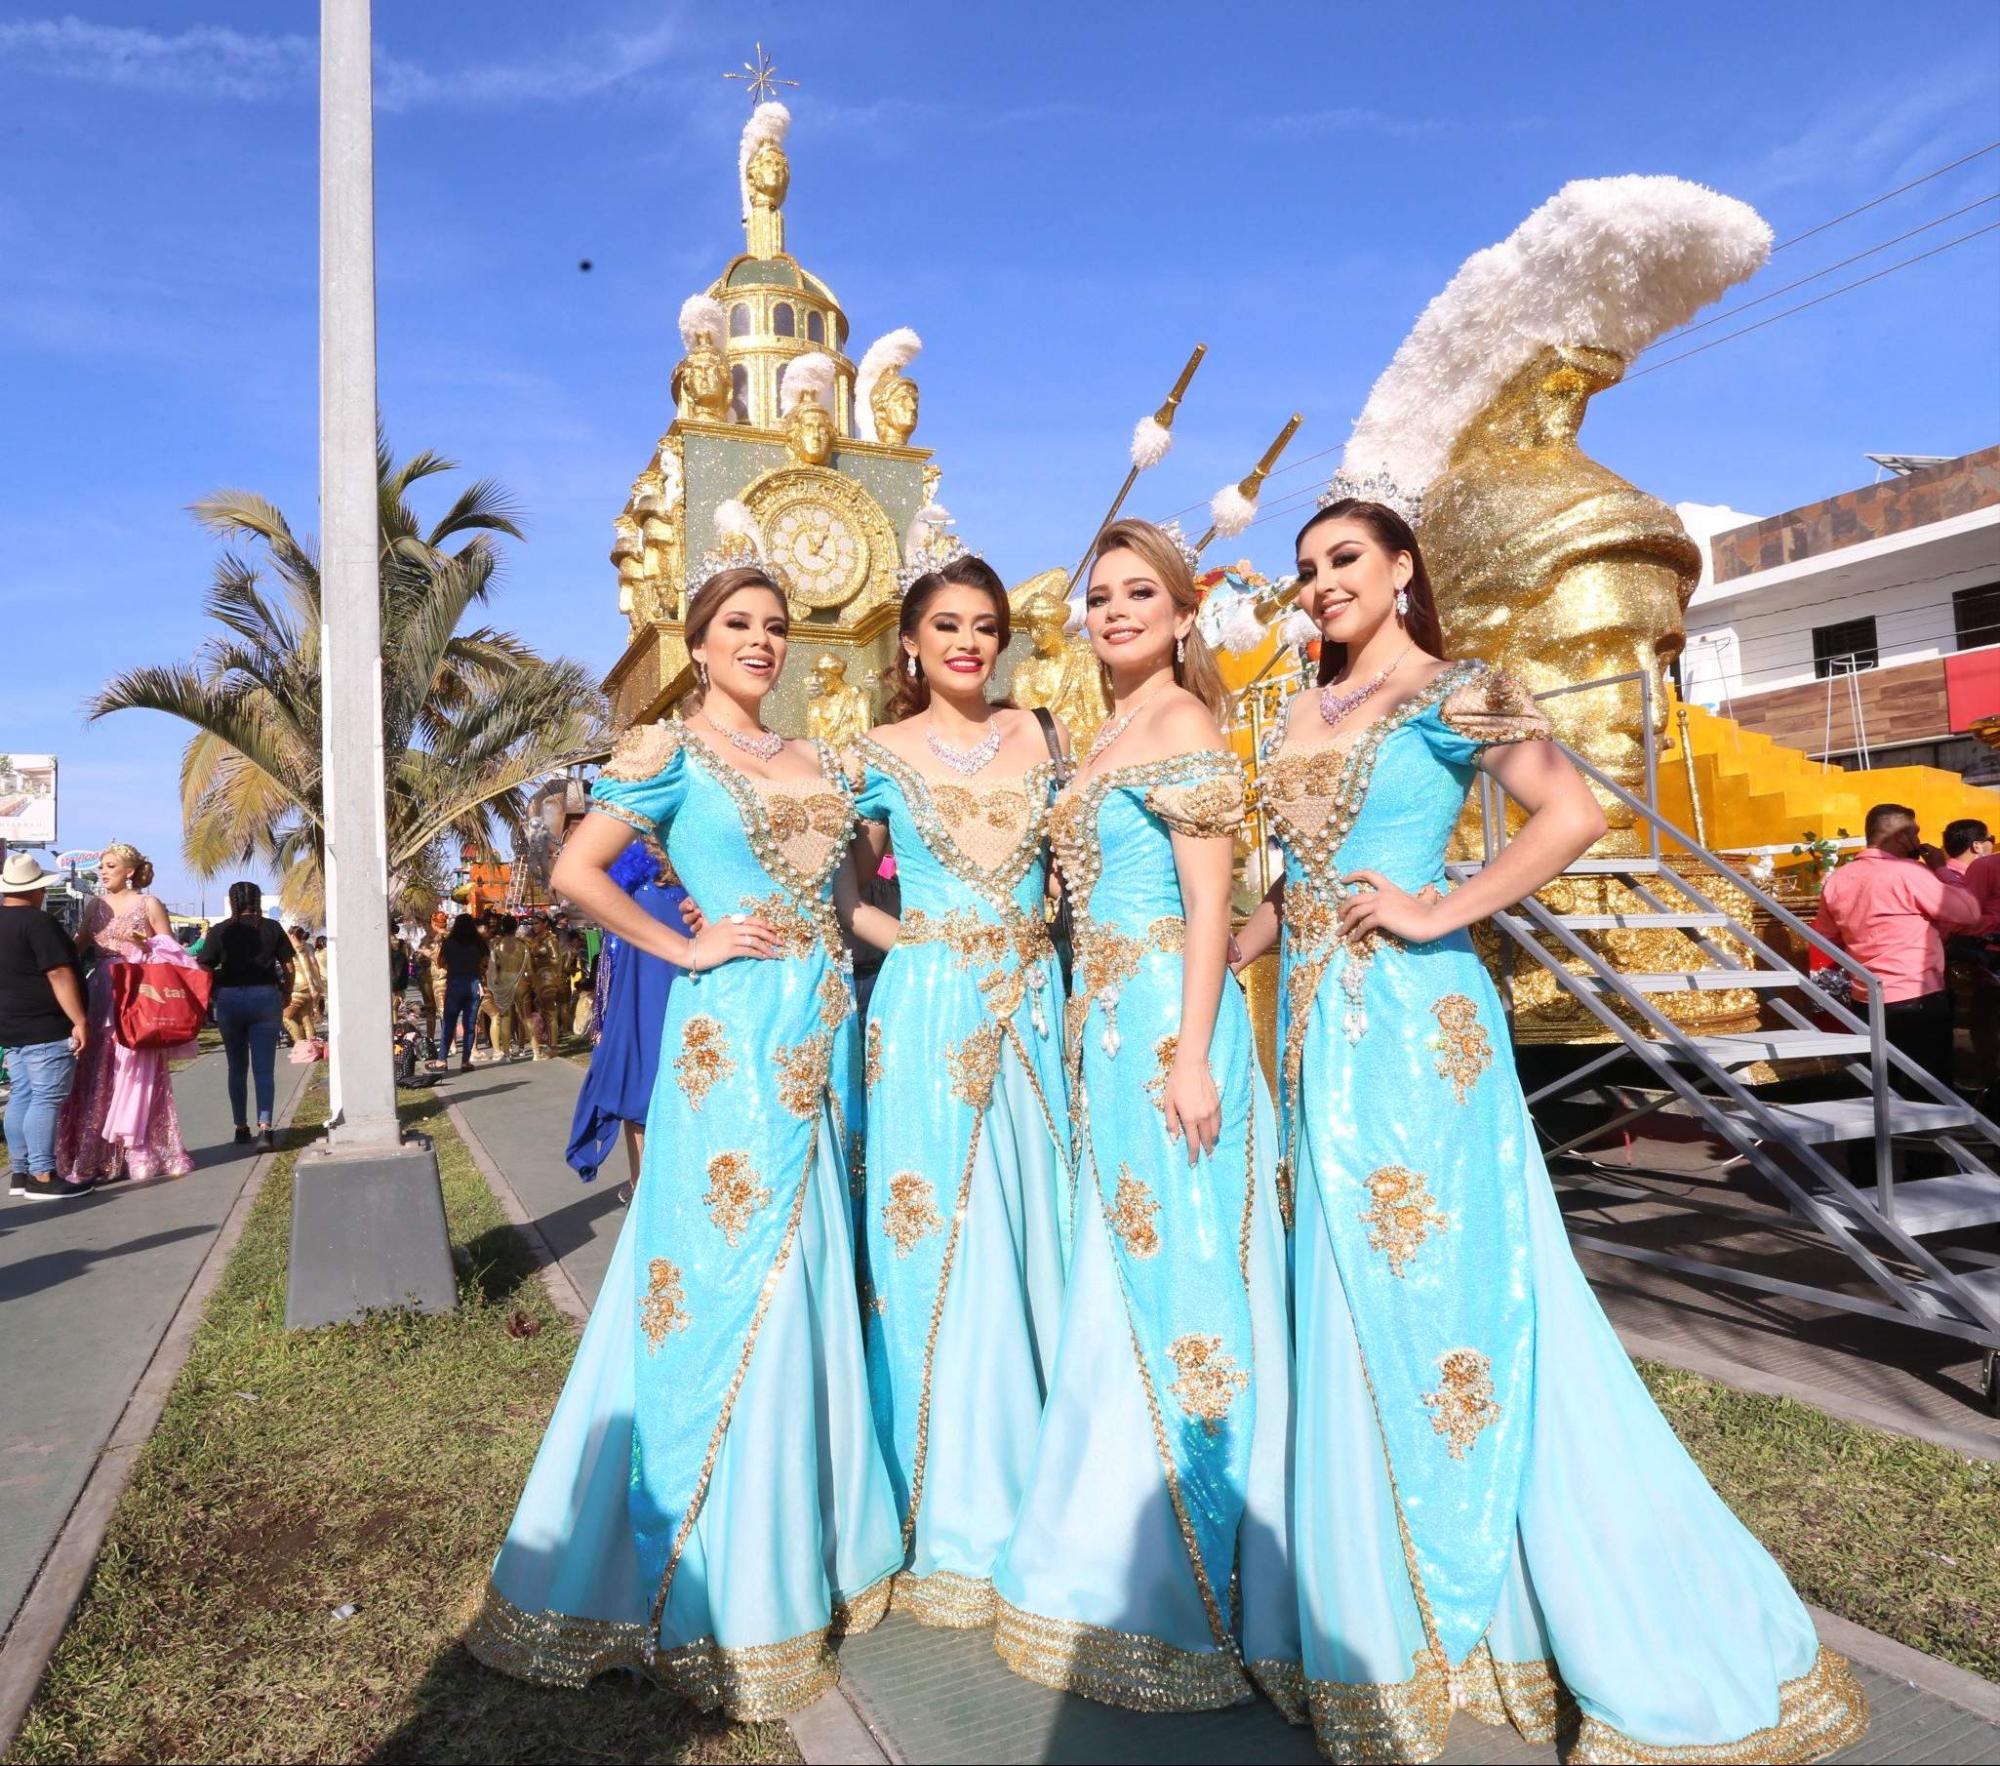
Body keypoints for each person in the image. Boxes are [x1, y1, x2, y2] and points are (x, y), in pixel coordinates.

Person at [1232, 497, 1867, 1763]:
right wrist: (1198, 973)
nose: (1320, 585)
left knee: (1442, 1285)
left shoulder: (1459, 686)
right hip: (1310, 1027)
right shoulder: (1304, 707)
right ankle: (1386, 1600)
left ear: (1401, 566)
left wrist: (1437, 909)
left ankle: (1479, 1597)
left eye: (1343, 559)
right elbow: (1292, 881)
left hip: (1417, 1029)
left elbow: (1569, 815)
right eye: (1306, 569)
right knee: (1349, 1289)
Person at [469, 565, 901, 1716]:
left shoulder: (820, 759)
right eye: (736, 627)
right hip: (732, 1042)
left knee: (808, 1261)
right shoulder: (667, 757)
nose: (759, 642)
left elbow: (851, 908)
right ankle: (700, 1563)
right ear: (696, 646)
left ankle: (802, 1534)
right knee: (715, 1272)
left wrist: (944, 940)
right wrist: (688, 950)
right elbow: (574, 871)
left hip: (826, 1038)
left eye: (773, 627)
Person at [991, 519, 1295, 1708]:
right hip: (1099, 1033)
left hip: (1165, 1034)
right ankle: (1107, 1531)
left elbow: (1212, 903)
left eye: (1139, 594)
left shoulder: (1181, 725)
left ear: (1181, 612)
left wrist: (1195, 1052)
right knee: (1118, 1268)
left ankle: (1199, 1568)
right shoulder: (1107, 731)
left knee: (1181, 1273)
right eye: (1100, 596)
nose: (1114, 611)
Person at [843, 554, 1071, 1629]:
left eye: (984, 625)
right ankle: (948, 1507)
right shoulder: (873, 754)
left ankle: (1050, 1489)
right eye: (946, 625)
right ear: (911, 644)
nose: (968, 642)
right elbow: (843, 894)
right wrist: (927, 946)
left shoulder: (1044, 736)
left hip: (1034, 1007)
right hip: (927, 1014)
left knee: (1037, 1228)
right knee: (937, 1240)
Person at [1813, 802, 1981, 1095]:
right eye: (1914, 833)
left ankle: (1876, 1142)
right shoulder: (1909, 873)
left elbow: (1826, 936)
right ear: (1902, 837)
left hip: (1866, 998)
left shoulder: (1838, 879)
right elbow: (1969, 913)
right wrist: (1942, 869)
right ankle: (1931, 1139)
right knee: (1929, 1087)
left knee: (1878, 1088)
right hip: (1917, 996)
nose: (1918, 840)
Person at [55, 841, 194, 1187]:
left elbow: (172, 950)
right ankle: (96, 1152)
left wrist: (146, 947)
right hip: (102, 989)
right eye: (102, 866)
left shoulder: (149, 903)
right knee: (97, 1068)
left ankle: (141, 1147)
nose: (103, 872)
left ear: (130, 871)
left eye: (110, 866)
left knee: (136, 1068)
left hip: (138, 989)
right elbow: (78, 945)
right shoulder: (95, 905)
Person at [564, 843, 691, 1188]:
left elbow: (611, 952)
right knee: (647, 1091)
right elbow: (612, 951)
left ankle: (646, 1193)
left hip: (671, 992)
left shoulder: (689, 861)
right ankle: (645, 1194)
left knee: (650, 1088)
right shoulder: (638, 869)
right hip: (650, 992)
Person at [1, 853, 89, 1202]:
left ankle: (21, 1171)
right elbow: (58, 972)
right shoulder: (38, 923)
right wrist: (79, 1020)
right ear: (37, 890)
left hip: (11, 1024)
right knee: (46, 1097)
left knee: (22, 1094)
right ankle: (42, 1173)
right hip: (44, 1023)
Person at [200, 881, 294, 1150]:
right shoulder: (271, 928)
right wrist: (286, 992)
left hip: (229, 999)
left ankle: (240, 1127)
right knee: (264, 1068)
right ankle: (265, 1128)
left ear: (232, 902)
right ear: (258, 900)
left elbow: (205, 965)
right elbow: (288, 965)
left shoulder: (220, 931)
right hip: (265, 997)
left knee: (236, 1067)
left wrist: (209, 995)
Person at [436, 914, 488, 1073]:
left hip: (455, 984)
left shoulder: (449, 943)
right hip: (473, 984)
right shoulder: (479, 943)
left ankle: (441, 1060)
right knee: (470, 1024)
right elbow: (485, 963)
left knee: (449, 1023)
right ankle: (465, 1061)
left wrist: (453, 966)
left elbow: (440, 963)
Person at [482, 914, 529, 1062]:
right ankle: (522, 1047)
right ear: (516, 928)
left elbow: (493, 966)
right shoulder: (523, 944)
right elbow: (529, 967)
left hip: (504, 983)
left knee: (505, 1018)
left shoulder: (497, 944)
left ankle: (507, 1052)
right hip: (520, 982)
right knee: (522, 1016)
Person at [282, 924, 323, 1047]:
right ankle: (312, 1047)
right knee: (305, 1018)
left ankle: (301, 1046)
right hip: (310, 990)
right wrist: (317, 986)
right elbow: (315, 966)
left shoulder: (291, 948)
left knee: (286, 1018)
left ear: (292, 935)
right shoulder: (309, 947)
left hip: (297, 988)